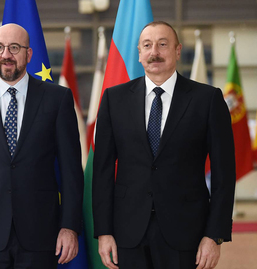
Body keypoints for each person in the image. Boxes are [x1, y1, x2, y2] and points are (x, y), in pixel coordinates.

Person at [92, 21, 236, 269]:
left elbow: (224, 174)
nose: (154, 52)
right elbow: (102, 171)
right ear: (138, 54)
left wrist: (215, 235)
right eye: (147, 45)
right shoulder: (113, 100)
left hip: (187, 233)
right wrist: (104, 232)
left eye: (162, 44)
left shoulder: (208, 99)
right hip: (128, 232)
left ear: (178, 51)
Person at [0, 23, 84, 269]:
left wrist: (70, 226)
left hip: (42, 233)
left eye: (14, 47)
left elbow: (71, 171)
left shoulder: (58, 100)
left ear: (28, 54)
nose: (6, 54)